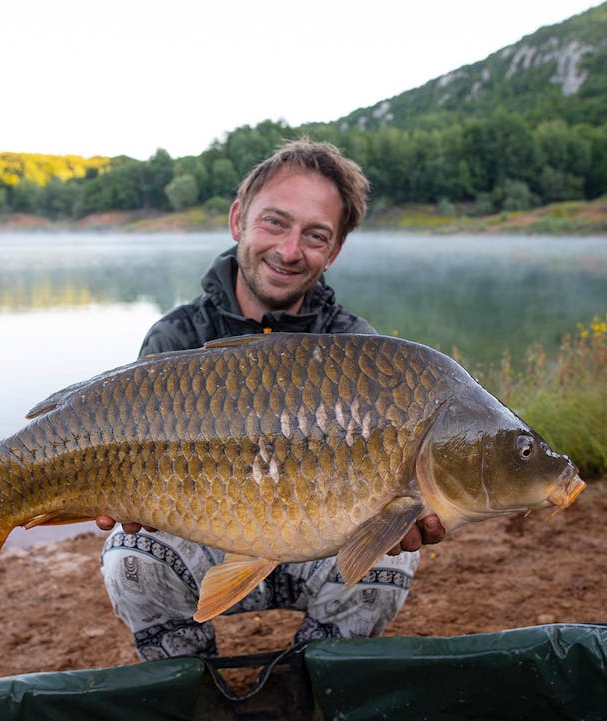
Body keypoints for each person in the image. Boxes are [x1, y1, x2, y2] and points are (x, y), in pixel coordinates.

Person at [97, 139, 444, 661]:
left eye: (315, 235)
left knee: (391, 561)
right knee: (128, 558)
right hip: (208, 544)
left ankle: (311, 680)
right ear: (239, 219)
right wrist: (126, 495)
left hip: (321, 549)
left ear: (334, 250)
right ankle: (195, 684)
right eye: (275, 223)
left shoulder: (359, 351)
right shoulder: (175, 339)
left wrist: (409, 509)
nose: (288, 250)